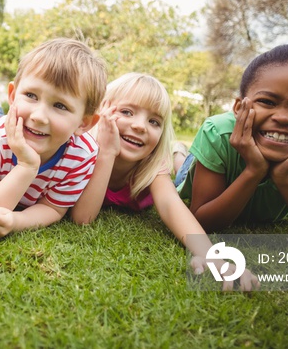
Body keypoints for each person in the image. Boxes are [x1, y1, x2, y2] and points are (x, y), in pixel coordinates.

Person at [70, 73, 258, 291]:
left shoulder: (152, 163)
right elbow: (83, 219)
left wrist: (213, 258)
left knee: (184, 173)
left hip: (171, 168)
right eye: (126, 112)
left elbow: (170, 204)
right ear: (101, 112)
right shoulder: (79, 152)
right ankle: (178, 154)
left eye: (154, 121)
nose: (140, 126)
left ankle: (179, 153)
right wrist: (107, 153)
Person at [176, 44, 288, 251]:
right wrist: (254, 170)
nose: (283, 118)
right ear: (238, 108)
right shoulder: (218, 133)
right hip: (196, 168)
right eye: (268, 102)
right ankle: (179, 153)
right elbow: (201, 224)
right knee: (182, 172)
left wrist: (285, 178)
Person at [0, 38, 106, 239]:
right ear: (12, 95)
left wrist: (16, 221)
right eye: (31, 95)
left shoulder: (82, 154)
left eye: (60, 106)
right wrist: (27, 166)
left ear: (84, 123)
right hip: (4, 137)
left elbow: (53, 209)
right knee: (3, 122)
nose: (38, 115)